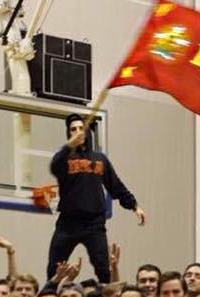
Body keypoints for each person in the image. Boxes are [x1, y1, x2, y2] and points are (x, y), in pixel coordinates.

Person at [46, 114, 145, 284]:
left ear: (87, 132)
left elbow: (115, 185)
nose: (77, 132)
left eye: (80, 128)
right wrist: (69, 146)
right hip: (68, 222)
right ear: (69, 133)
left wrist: (134, 206)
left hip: (94, 223)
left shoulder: (100, 159)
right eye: (73, 129)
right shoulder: (64, 158)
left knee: (103, 267)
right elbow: (54, 166)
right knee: (54, 267)